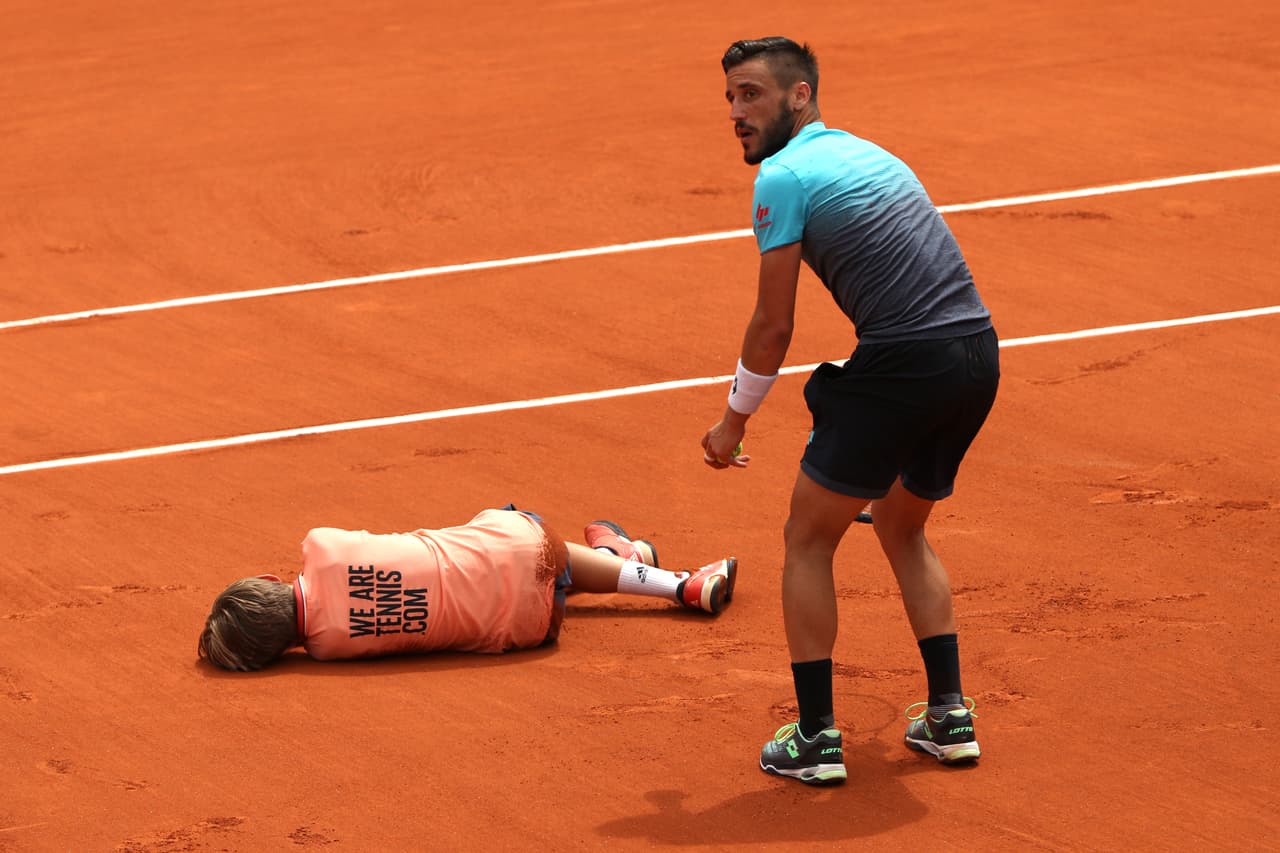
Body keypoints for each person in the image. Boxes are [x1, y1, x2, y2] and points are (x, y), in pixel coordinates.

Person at [702, 37, 999, 785]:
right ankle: (948, 714)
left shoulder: (785, 175)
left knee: (806, 537)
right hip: (975, 356)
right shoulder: (871, 154)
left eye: (752, 95)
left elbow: (774, 325)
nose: (737, 111)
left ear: (800, 95)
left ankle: (814, 737)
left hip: (902, 365)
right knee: (901, 521)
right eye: (731, 97)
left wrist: (733, 423)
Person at [198, 507, 737, 671]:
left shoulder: (329, 647)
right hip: (528, 549)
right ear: (269, 581)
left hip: (529, 630)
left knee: (509, 578)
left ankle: (635, 562)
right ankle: (667, 581)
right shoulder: (318, 545)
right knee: (507, 536)